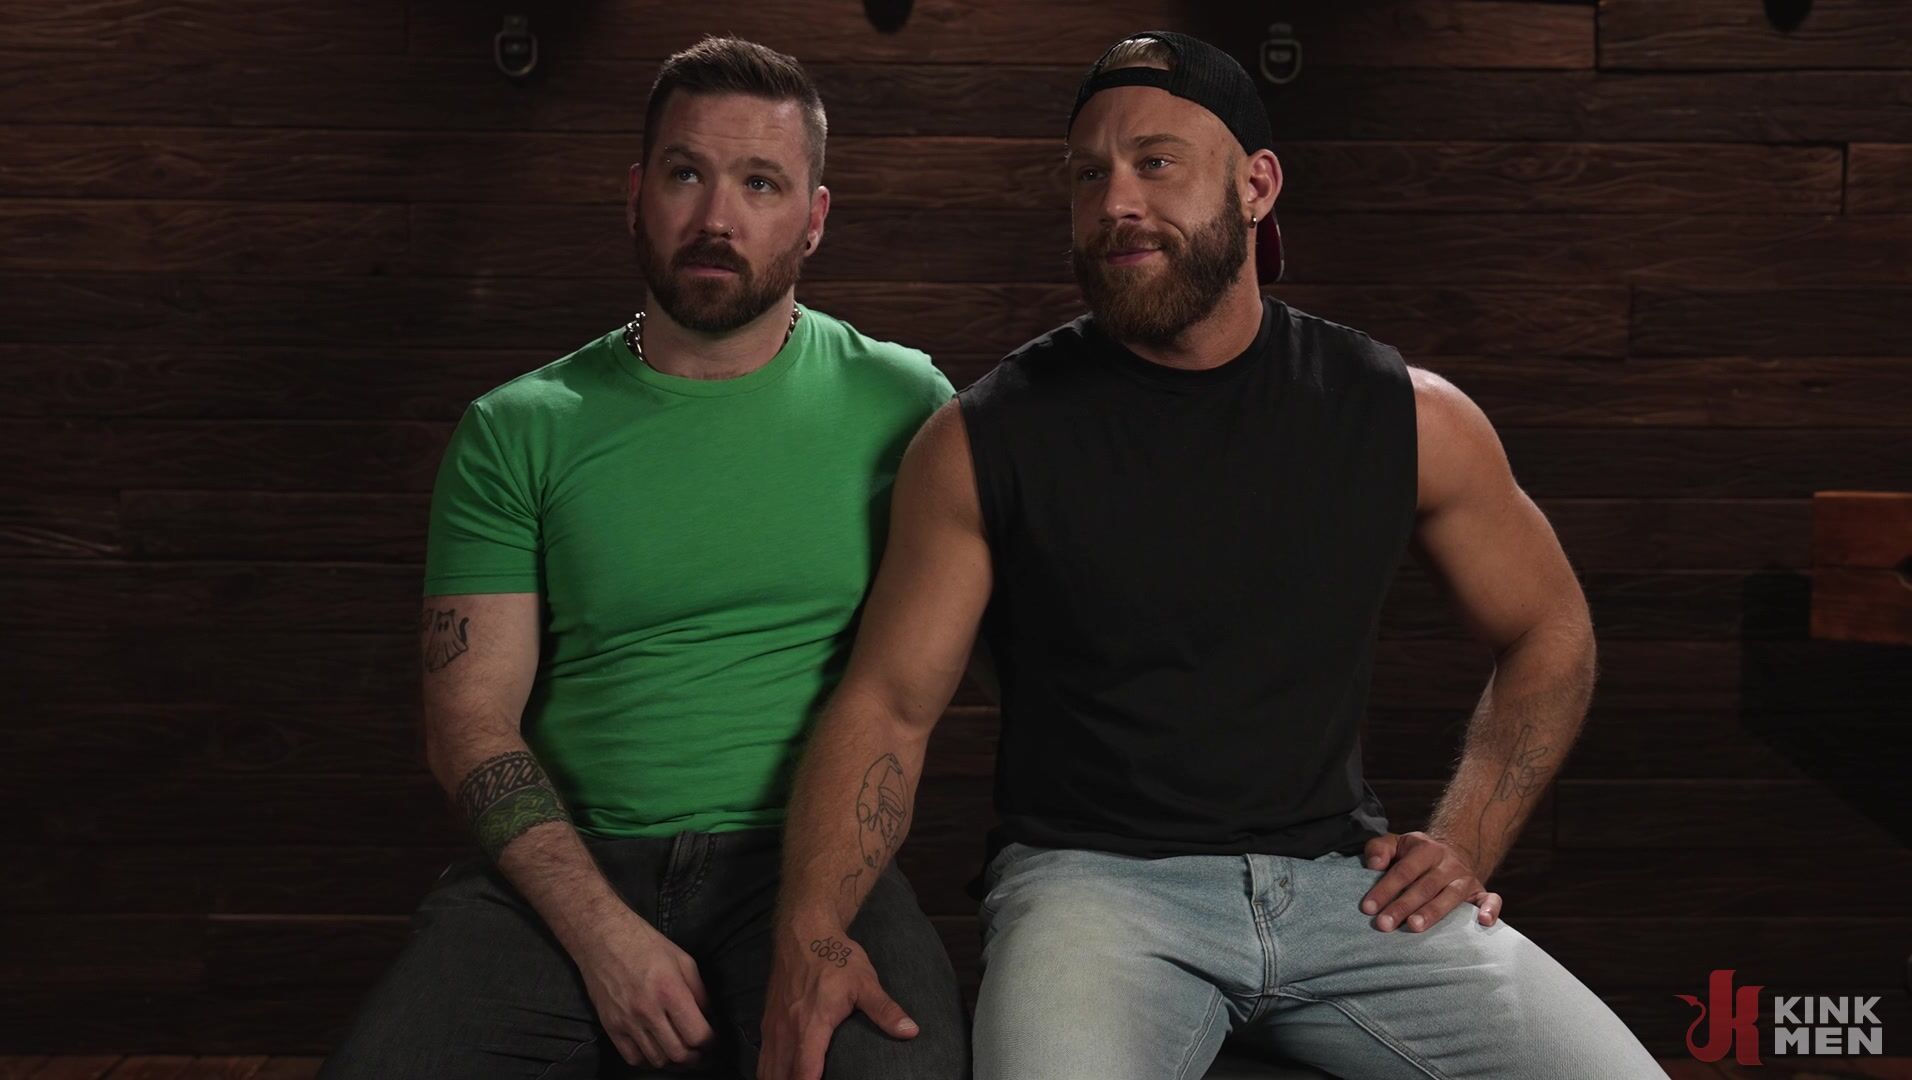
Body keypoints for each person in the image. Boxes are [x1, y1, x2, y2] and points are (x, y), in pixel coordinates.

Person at [757, 30, 1669, 1080]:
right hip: (1094, 894)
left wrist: (1464, 840)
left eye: (1156, 162)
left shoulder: (1403, 415)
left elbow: (1548, 627)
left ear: (1255, 185)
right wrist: (810, 933)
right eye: (1087, 175)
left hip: (1345, 893)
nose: (1116, 202)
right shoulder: (982, 440)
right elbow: (888, 706)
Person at [318, 35, 967, 1080]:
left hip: (807, 865)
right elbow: (468, 725)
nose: (716, 218)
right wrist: (602, 936)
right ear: (635, 196)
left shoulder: (907, 405)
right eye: (684, 174)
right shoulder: (517, 428)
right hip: (568, 866)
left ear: (814, 218)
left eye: (760, 183)